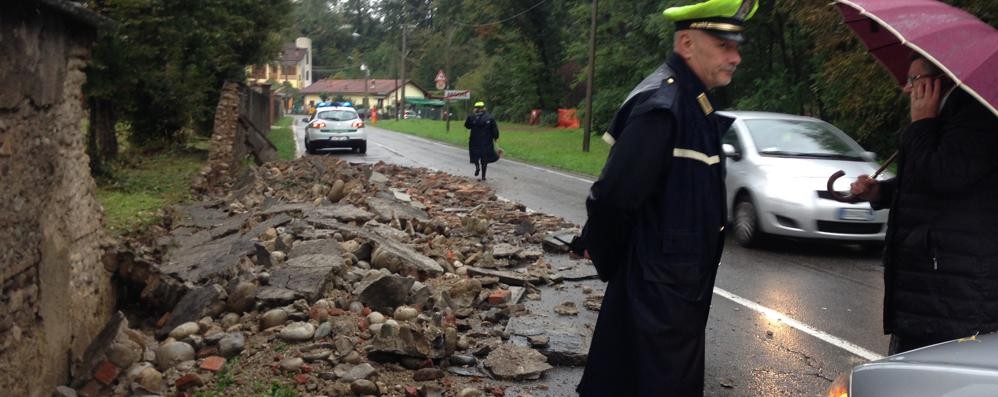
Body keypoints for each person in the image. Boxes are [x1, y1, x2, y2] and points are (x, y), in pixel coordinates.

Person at [571, 0, 757, 395]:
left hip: (674, 295)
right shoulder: (663, 107)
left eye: (736, 46)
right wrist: (622, 267)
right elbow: (612, 200)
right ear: (687, 43)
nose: (736, 57)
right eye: (724, 45)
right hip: (655, 302)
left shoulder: (695, 103)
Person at [849, 54, 998, 355]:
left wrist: (921, 125)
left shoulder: (977, 121)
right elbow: (924, 185)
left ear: (938, 83)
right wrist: (878, 192)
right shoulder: (946, 119)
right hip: (930, 290)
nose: (907, 89)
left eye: (913, 80)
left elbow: (942, 176)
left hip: (953, 295)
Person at [464, 101, 500, 180]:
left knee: (475, 156)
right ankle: (483, 176)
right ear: (484, 108)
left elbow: (467, 126)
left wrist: (470, 118)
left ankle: (477, 167)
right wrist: (496, 137)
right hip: (486, 141)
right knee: (485, 159)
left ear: (475, 108)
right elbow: (495, 130)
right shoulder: (490, 117)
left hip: (474, 140)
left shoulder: (471, 117)